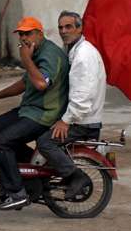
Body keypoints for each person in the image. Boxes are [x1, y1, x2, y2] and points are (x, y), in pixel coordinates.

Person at [0, 16, 69, 211]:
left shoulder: (49, 55)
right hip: (29, 110)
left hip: (44, 114)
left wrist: (25, 58)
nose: (24, 38)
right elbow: (25, 83)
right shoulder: (35, 53)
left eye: (29, 33)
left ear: (40, 34)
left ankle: (18, 193)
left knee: (2, 142)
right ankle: (27, 170)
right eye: (21, 34)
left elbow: (41, 83)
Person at [36, 10, 106, 201]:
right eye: (60, 27)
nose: (63, 31)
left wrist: (65, 121)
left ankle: (77, 177)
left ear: (79, 28)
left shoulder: (84, 56)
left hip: (83, 121)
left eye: (68, 27)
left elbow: (83, 97)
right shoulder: (73, 50)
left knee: (45, 142)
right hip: (79, 117)